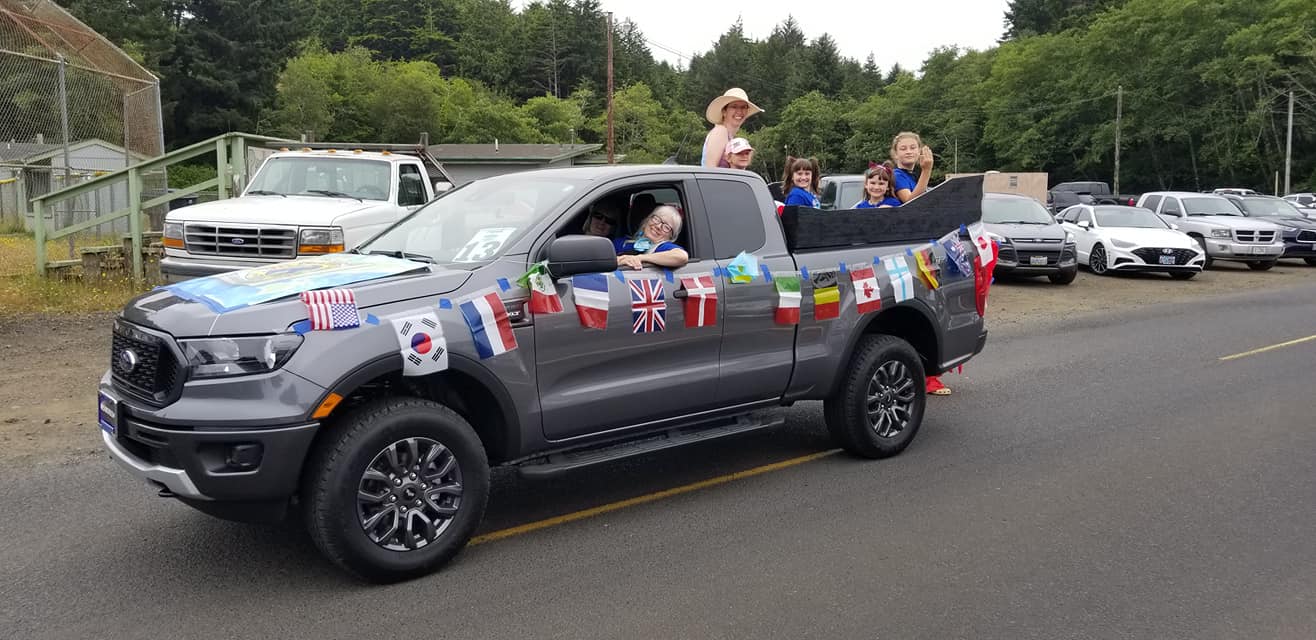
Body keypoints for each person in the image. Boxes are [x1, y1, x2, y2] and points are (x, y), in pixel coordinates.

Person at [701, 88, 763, 168]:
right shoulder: (720, 131)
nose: (739, 112)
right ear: (724, 111)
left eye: (743, 107)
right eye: (734, 107)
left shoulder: (730, 137)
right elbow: (710, 171)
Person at [615, 205, 689, 270]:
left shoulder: (662, 248)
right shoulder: (622, 242)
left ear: (670, 237)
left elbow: (682, 256)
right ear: (647, 220)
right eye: (656, 219)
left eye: (666, 227)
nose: (658, 226)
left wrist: (640, 258)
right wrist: (621, 260)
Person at [890, 132, 934, 203]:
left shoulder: (912, 176)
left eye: (913, 148)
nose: (909, 152)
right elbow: (909, 202)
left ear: (919, 151)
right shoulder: (897, 175)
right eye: (903, 149)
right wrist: (926, 170)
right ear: (895, 154)